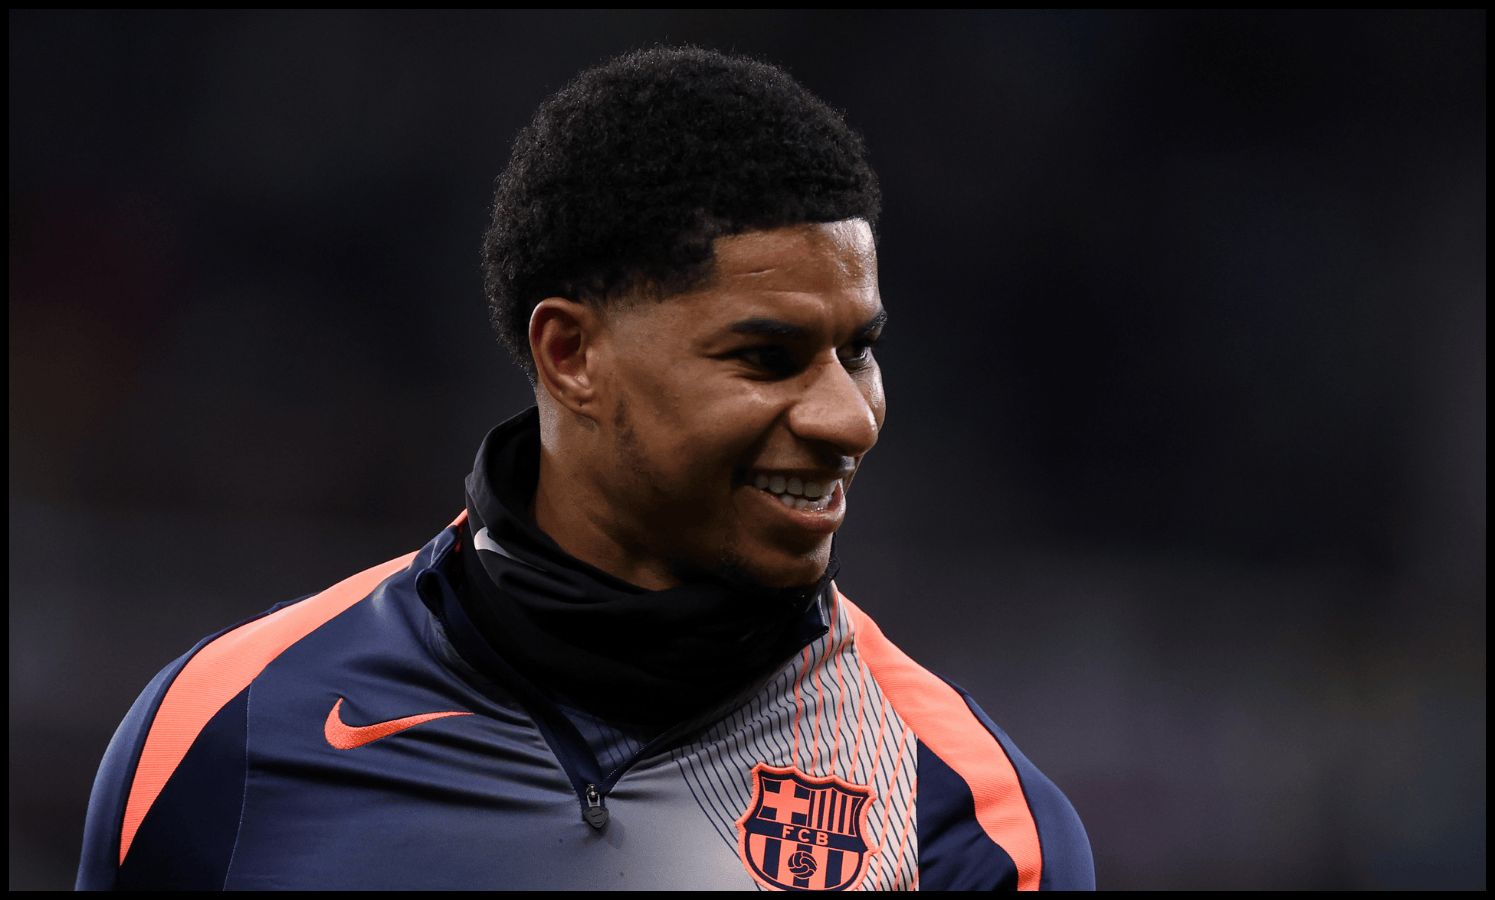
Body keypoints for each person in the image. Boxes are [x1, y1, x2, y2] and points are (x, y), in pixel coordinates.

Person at [76, 45, 1094, 891]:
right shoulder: (222, 731)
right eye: (765, 357)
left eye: (857, 351)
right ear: (571, 356)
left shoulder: (963, 823)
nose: (847, 418)